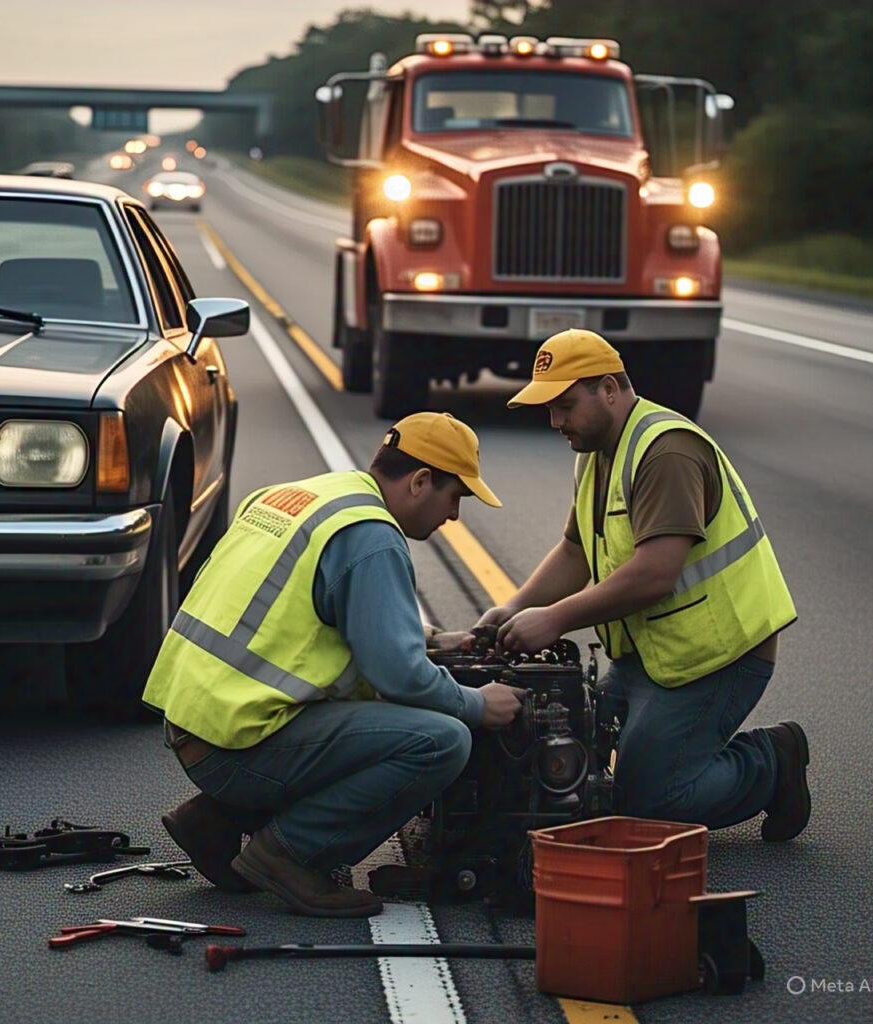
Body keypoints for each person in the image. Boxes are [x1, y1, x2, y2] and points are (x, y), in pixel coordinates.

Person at [143, 412, 526, 917]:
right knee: (442, 740)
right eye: (455, 496)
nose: (454, 515)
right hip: (236, 746)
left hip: (200, 723)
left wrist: (430, 639)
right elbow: (400, 677)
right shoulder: (372, 535)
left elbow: (311, 617)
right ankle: (289, 854)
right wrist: (477, 704)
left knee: (367, 716)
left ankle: (215, 820)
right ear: (420, 481)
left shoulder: (310, 498)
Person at [478, 329, 811, 842]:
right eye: (549, 408)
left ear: (609, 389)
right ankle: (684, 757)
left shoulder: (666, 452)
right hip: (654, 656)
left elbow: (656, 573)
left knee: (646, 800)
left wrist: (555, 618)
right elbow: (574, 551)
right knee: (565, 741)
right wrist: (516, 605)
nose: (555, 422)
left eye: (565, 406)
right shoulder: (596, 452)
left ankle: (771, 763)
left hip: (718, 657)